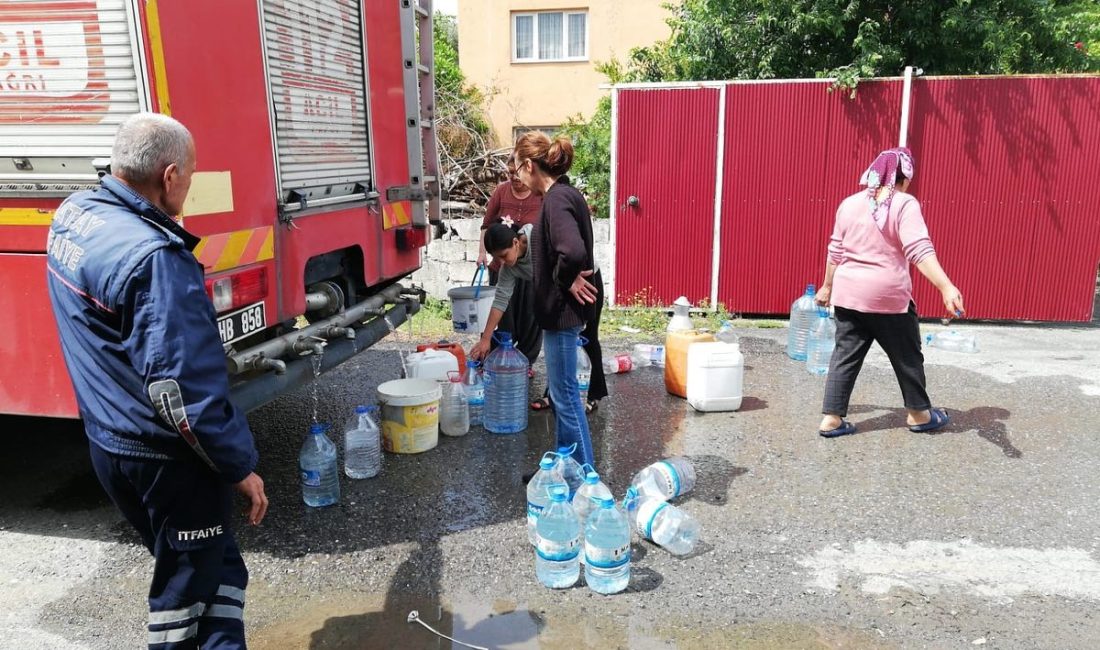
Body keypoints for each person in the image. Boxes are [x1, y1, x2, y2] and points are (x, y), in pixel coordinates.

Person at [45, 113, 267, 649]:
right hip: (164, 461)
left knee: (217, 568)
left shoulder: (75, 215)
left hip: (108, 441)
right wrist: (240, 466)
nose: (188, 188)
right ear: (169, 176)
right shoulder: (155, 259)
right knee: (186, 598)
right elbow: (184, 391)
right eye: (189, 177)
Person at [814, 147, 965, 438]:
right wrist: (945, 286)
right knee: (907, 355)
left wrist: (827, 286)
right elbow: (919, 249)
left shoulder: (849, 203)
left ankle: (831, 419)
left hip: (848, 294)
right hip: (888, 298)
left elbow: (835, 251)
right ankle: (919, 414)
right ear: (904, 179)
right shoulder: (904, 204)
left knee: (845, 355)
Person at [513, 131, 600, 468]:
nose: (518, 177)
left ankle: (585, 479)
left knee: (565, 399)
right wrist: (568, 275)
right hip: (564, 315)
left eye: (518, 169)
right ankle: (564, 470)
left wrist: (566, 278)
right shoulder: (567, 194)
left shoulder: (555, 200)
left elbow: (573, 251)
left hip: (562, 316)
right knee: (563, 398)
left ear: (530, 166)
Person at [476, 156, 543, 364]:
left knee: (532, 316)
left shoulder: (539, 242)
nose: (514, 177)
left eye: (517, 172)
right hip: (515, 258)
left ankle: (526, 361)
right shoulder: (506, 265)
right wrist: (485, 338)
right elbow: (500, 300)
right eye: (510, 172)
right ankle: (499, 356)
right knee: (506, 318)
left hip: (561, 279)